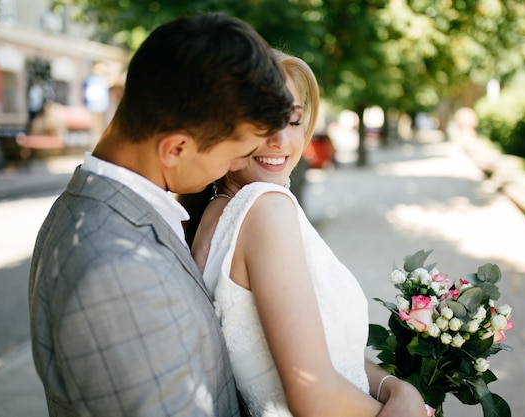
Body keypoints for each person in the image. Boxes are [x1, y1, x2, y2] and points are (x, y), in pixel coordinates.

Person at [28, 13, 293, 417]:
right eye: (233, 153)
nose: (239, 165)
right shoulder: (115, 274)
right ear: (175, 149)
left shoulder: (108, 208)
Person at [179, 50, 428, 417]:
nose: (281, 140)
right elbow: (312, 397)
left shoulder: (218, 209)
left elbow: (325, 355)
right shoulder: (266, 208)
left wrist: (390, 386)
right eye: (262, 121)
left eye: (293, 121)